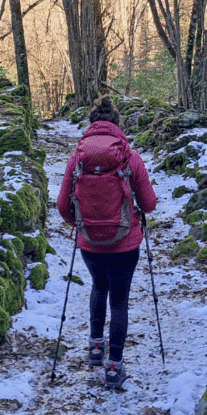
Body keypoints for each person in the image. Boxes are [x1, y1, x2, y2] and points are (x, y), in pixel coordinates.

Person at [56, 95, 158, 389]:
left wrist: (81, 223)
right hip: (126, 242)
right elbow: (149, 204)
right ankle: (114, 367)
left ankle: (95, 347)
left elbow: (63, 206)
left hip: (89, 242)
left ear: (91, 127)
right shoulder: (131, 157)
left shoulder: (76, 159)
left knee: (99, 286)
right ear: (117, 127)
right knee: (120, 301)